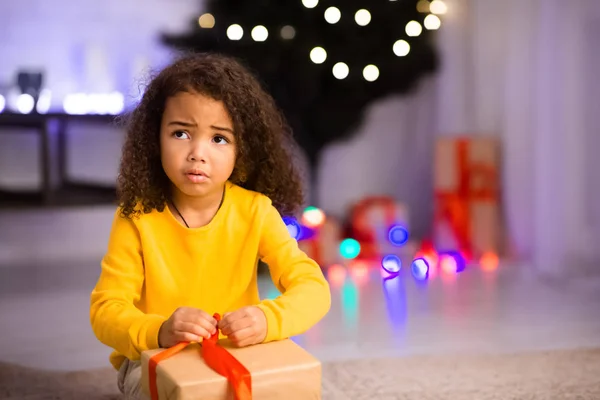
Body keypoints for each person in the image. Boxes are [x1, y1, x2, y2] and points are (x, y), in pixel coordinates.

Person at [89, 53, 331, 399]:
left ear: (242, 150)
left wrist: (268, 320)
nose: (197, 153)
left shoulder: (255, 211)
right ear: (154, 138)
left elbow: (313, 288)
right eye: (181, 133)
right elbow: (106, 310)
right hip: (153, 357)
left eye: (219, 138)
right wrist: (160, 329)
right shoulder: (136, 217)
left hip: (238, 354)